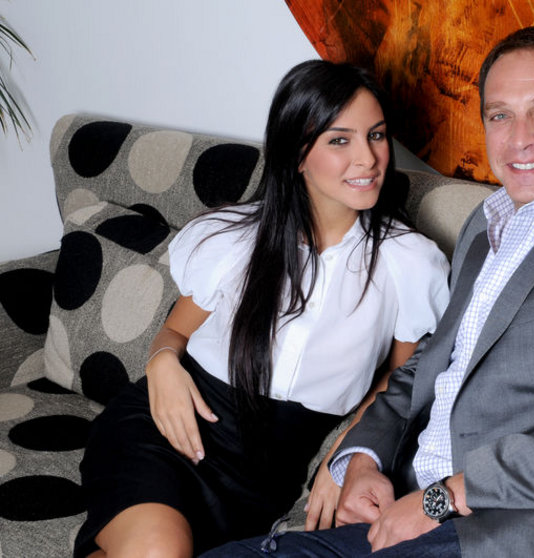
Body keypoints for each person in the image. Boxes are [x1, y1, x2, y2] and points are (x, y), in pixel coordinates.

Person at [205, 25, 534, 558]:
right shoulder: (487, 222)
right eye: (500, 115)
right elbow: (430, 364)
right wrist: (361, 459)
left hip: (526, 534)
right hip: (420, 513)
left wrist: (444, 497)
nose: (520, 138)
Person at [73, 60, 451, 558]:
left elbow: (400, 384)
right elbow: (175, 333)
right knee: (157, 550)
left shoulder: (410, 263)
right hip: (165, 432)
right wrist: (161, 364)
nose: (368, 158)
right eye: (340, 140)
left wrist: (348, 455)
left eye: (376, 135)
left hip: (262, 479)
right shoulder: (232, 238)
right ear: (297, 154)